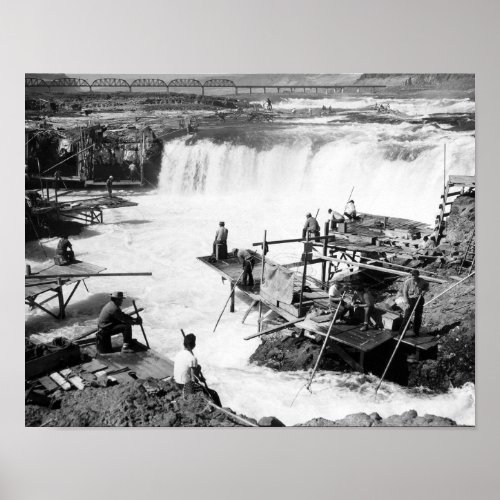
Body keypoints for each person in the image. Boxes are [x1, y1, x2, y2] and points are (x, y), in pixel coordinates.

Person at [399, 269, 429, 337]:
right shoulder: (408, 282)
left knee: (418, 317)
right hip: (411, 300)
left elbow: (427, 286)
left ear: (418, 275)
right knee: (407, 316)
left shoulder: (422, 280)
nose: (412, 276)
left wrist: (424, 291)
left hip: (419, 299)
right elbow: (405, 293)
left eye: (414, 274)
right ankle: (401, 333)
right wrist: (407, 302)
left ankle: (416, 332)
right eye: (411, 274)